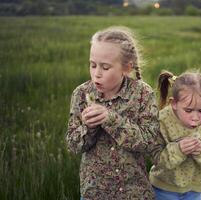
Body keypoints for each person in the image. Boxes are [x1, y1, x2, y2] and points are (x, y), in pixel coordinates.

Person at [65, 26, 164, 200]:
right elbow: (73, 146)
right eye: (92, 65)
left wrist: (110, 119)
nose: (96, 74)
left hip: (134, 192)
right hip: (94, 192)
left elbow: (149, 142)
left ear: (126, 68)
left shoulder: (143, 94)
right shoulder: (81, 94)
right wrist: (88, 126)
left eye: (105, 67)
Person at [149, 70, 201, 200]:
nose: (195, 117)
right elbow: (155, 156)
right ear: (174, 104)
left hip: (195, 188)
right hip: (164, 187)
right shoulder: (162, 119)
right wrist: (178, 150)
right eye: (188, 110)